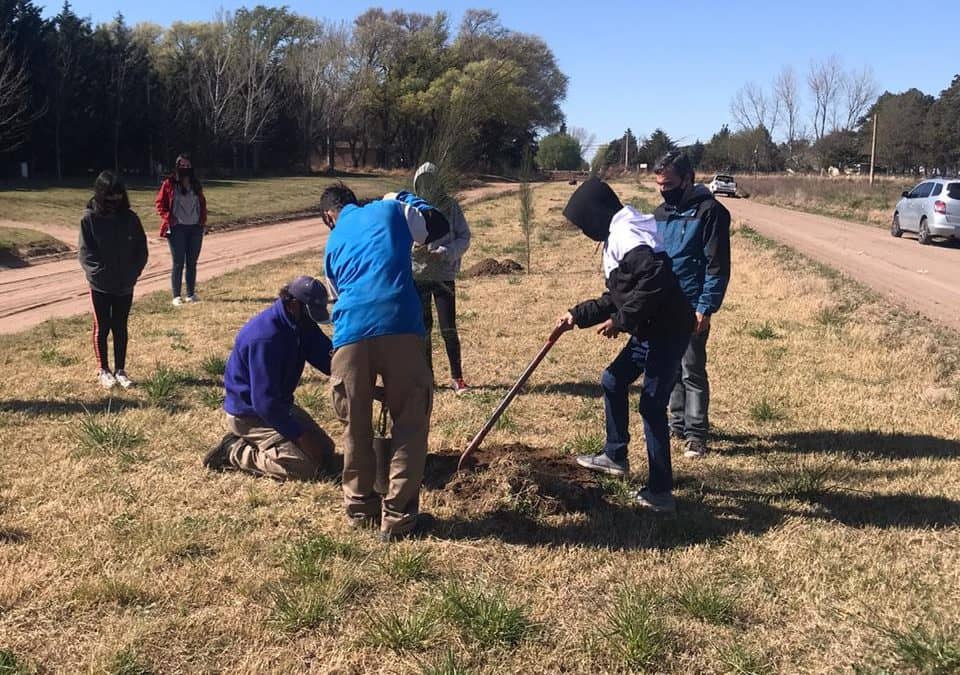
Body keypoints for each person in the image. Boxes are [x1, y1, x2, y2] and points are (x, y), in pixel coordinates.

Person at [320, 182, 449, 541]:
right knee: (409, 421)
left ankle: (360, 509)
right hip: (400, 324)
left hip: (349, 334)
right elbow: (438, 225)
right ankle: (398, 520)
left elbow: (338, 295)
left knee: (354, 423)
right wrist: (405, 196)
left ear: (329, 216)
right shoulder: (390, 209)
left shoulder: (331, 243)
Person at [556, 177, 694, 513]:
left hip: (668, 329)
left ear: (595, 213)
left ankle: (661, 491)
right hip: (649, 326)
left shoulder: (627, 233)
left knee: (650, 406)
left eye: (582, 223)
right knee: (612, 380)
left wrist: (621, 321)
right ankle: (615, 455)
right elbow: (618, 295)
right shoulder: (618, 232)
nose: (583, 230)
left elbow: (655, 278)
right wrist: (577, 315)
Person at [202, 276, 336, 480]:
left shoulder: (301, 323)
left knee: (326, 452)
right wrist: (299, 435)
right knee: (306, 468)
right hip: (251, 413)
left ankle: (265, 444)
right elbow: (264, 402)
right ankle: (235, 451)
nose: (313, 320)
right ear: (293, 303)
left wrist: (360, 374)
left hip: (279, 405)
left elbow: (327, 359)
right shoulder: (265, 338)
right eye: (310, 313)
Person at [653, 152, 731, 458]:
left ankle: (696, 434)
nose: (663, 189)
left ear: (688, 179)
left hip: (692, 303)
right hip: (663, 304)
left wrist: (705, 307)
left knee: (691, 369)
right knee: (669, 369)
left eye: (669, 183)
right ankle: (678, 423)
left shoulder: (710, 212)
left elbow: (717, 266)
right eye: (659, 184)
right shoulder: (660, 213)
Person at [78, 171, 148, 390]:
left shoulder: (130, 219)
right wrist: (100, 274)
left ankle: (120, 369)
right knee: (103, 326)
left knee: (120, 327)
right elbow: (86, 253)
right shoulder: (89, 219)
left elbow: (141, 249)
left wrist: (132, 273)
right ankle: (103, 369)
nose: (115, 201)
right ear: (100, 194)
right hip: (100, 285)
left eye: (119, 196)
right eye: (110, 197)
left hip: (125, 284)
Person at [408, 162, 472, 393]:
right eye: (422, 184)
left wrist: (445, 252)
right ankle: (428, 379)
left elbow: (464, 237)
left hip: (444, 275)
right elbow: (401, 239)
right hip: (419, 276)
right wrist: (414, 249)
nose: (427, 188)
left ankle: (457, 377)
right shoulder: (411, 208)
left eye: (431, 183)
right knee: (423, 329)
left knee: (448, 327)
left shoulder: (451, 207)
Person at [155, 154, 207, 306]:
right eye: (181, 165)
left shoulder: (196, 184)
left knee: (192, 262)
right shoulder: (169, 184)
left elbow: (202, 204)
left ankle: (191, 294)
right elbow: (160, 204)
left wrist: (202, 221)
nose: (185, 168)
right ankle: (176, 295)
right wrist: (169, 218)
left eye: (187, 165)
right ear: (177, 166)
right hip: (177, 228)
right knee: (178, 262)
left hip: (195, 228)